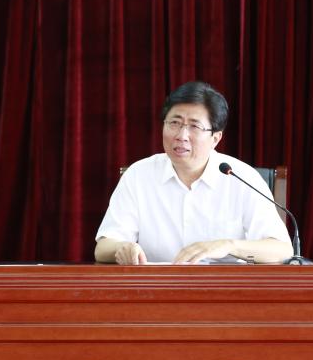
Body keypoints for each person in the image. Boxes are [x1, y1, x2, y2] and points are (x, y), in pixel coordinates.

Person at [95, 81, 292, 265]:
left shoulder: (242, 177)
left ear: (216, 138)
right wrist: (121, 248)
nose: (181, 136)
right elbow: (103, 247)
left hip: (225, 287)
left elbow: (282, 249)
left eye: (195, 126)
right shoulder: (139, 175)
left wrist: (228, 246)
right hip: (157, 286)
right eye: (174, 123)